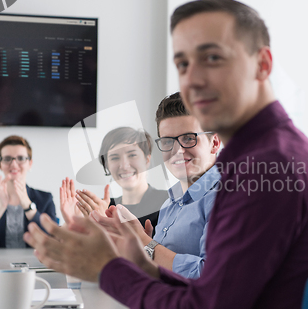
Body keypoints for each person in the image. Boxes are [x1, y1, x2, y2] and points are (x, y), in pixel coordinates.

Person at [24, 0, 308, 309]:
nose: (192, 80)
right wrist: (139, 259)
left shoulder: (269, 167)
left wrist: (107, 268)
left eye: (212, 57)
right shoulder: (258, 156)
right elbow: (211, 294)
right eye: (183, 64)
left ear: (262, 64)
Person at [93, 92, 221, 279]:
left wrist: (145, 242)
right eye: (168, 141)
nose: (177, 150)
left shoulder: (226, 198)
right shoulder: (169, 204)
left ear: (214, 143)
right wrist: (138, 249)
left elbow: (211, 276)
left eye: (188, 138)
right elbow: (159, 269)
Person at [63, 127, 168, 233]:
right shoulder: (102, 206)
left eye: (132, 155)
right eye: (114, 158)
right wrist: (72, 224)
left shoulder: (168, 202)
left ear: (147, 160)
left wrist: (104, 221)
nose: (124, 166)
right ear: (107, 165)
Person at [0, 135, 56, 248]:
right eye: (7, 159)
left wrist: (28, 206)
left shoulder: (45, 199)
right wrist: (0, 207)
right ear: (0, 164)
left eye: (21, 158)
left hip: (34, 264)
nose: (14, 164)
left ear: (30, 163)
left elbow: (54, 243)